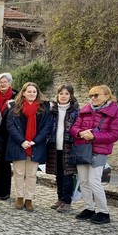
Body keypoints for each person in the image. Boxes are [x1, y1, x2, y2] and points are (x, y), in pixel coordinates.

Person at [70, 85, 118, 224]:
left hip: (99, 150)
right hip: (83, 148)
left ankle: (103, 212)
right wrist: (80, 133)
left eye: (96, 95)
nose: (92, 98)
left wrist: (94, 137)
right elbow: (74, 127)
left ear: (107, 96)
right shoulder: (85, 110)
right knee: (84, 181)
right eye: (90, 96)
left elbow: (115, 134)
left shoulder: (115, 112)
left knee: (94, 181)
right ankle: (89, 208)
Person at [6, 82, 52, 212]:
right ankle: (19, 197)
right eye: (29, 91)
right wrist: (22, 141)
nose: (32, 94)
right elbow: (10, 125)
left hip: (35, 145)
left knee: (31, 174)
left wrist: (34, 141)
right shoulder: (15, 107)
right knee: (19, 173)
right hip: (18, 144)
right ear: (24, 93)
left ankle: (29, 199)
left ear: (37, 93)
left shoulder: (44, 108)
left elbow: (47, 127)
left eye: (34, 92)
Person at [45, 85, 79, 213]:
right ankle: (60, 198)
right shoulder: (52, 110)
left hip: (69, 147)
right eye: (61, 93)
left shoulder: (75, 111)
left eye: (66, 93)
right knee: (58, 174)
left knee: (67, 175)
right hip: (54, 146)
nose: (63, 96)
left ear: (71, 96)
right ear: (57, 95)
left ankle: (67, 202)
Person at [0, 73, 18, 201]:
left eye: (5, 81)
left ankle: (5, 191)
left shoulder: (16, 97)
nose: (3, 84)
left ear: (10, 83)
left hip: (8, 133)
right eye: (0, 82)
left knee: (5, 163)